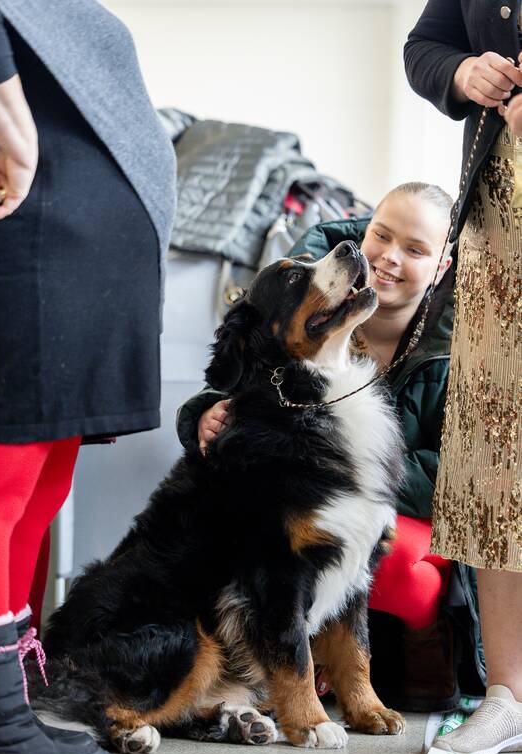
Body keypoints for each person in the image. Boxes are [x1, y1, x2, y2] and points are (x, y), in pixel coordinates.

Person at [177, 181, 463, 711]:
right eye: (382, 235)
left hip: (409, 511)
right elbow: (244, 375)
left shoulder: (464, 345)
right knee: (265, 538)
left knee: (388, 551)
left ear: (442, 266)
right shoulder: (311, 289)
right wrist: (202, 414)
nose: (389, 257)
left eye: (415, 249)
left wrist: (346, 481)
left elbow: (459, 473)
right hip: (319, 502)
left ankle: (422, 646)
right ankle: (273, 663)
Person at [0, 0, 176, 754]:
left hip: (82, 257)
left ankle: (7, 701)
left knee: (40, 491)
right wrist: (11, 130)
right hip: (33, 235)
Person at [404, 0, 522, 754]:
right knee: (494, 460)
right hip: (501, 226)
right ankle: (508, 693)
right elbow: (425, 45)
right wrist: (462, 72)